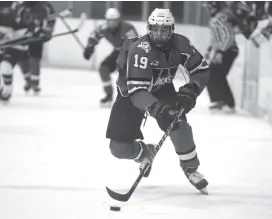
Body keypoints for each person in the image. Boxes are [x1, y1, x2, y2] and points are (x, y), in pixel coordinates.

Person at [106, 8, 210, 193]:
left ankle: (191, 169)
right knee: (118, 148)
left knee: (178, 124)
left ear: (172, 29)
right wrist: (159, 110)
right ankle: (145, 152)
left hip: (162, 88)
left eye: (164, 30)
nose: (159, 34)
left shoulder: (181, 44)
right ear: (148, 28)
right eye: (155, 29)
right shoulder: (140, 49)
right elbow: (138, 90)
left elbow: (201, 70)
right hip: (130, 92)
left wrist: (190, 91)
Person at [83, 8, 138, 106]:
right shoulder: (103, 28)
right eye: (109, 21)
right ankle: (109, 94)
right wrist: (90, 47)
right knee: (104, 68)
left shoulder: (127, 28)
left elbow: (135, 44)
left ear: (119, 20)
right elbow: (94, 35)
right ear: (106, 20)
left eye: (114, 20)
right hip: (117, 51)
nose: (112, 23)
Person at [0, 2, 48, 102]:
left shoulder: (13, 11)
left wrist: (34, 31)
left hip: (12, 48)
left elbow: (28, 26)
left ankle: (7, 88)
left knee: (6, 64)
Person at [204, 1, 238, 113]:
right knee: (213, 73)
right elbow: (217, 36)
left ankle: (227, 102)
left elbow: (228, 35)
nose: (208, 10)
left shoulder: (221, 17)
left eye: (210, 7)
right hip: (224, 49)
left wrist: (221, 51)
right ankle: (219, 100)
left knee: (217, 73)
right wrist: (210, 49)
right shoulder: (216, 18)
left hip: (228, 50)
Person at [16, 1, 56, 95]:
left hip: (37, 36)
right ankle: (28, 80)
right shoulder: (20, 6)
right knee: (21, 57)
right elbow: (14, 20)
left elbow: (51, 20)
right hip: (22, 35)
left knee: (35, 57)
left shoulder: (46, 6)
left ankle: (35, 83)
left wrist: (46, 32)